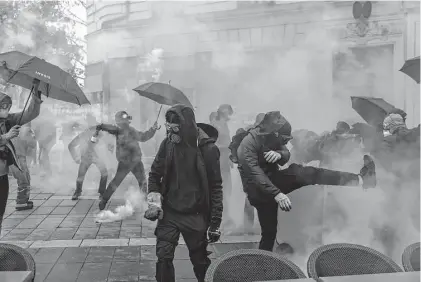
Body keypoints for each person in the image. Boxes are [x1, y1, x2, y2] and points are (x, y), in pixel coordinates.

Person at [237, 111, 377, 252]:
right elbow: (254, 173)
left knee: (269, 233)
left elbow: (286, 154)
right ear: (275, 133)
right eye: (283, 138)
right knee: (269, 232)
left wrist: (280, 154)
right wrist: (277, 194)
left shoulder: (269, 136)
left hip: (271, 183)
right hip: (258, 189)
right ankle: (261, 264)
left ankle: (360, 179)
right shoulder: (248, 144)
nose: (285, 142)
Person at [144, 104, 223, 282]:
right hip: (170, 212)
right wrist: (154, 203)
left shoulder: (207, 150)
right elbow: (154, 174)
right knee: (163, 258)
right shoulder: (168, 144)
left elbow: (216, 186)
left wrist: (215, 222)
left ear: (186, 126)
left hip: (195, 214)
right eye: (167, 127)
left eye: (175, 128)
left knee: (200, 261)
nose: (170, 132)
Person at [0, 80, 42, 234]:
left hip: (2, 175)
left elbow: (31, 113)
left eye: (8, 107)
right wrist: (5, 137)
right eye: (3, 106)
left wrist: (35, 92)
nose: (6, 109)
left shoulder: (8, 120)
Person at [96, 110, 158, 210]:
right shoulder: (119, 130)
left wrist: (153, 129)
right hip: (129, 161)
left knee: (139, 182)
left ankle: (104, 201)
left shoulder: (126, 130)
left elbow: (143, 137)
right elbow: (143, 137)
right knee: (140, 182)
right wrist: (102, 126)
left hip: (134, 161)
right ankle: (104, 201)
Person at [68, 123, 113, 200]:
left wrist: (110, 146)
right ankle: (77, 192)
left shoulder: (99, 134)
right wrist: (75, 158)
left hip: (96, 157)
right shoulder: (82, 136)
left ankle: (102, 192)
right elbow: (70, 145)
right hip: (86, 158)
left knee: (104, 173)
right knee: (80, 176)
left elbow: (106, 142)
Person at [211, 104, 233, 228]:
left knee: (227, 190)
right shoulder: (215, 125)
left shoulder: (224, 125)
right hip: (218, 161)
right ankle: (220, 218)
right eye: (227, 114)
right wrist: (226, 147)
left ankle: (226, 216)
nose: (229, 117)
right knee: (221, 189)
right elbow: (213, 144)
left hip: (225, 161)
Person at [10, 124, 38, 210]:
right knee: (24, 180)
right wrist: (33, 136)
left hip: (10, 157)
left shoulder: (11, 128)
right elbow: (32, 144)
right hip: (19, 158)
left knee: (24, 178)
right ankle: (21, 202)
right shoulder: (26, 130)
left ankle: (24, 200)